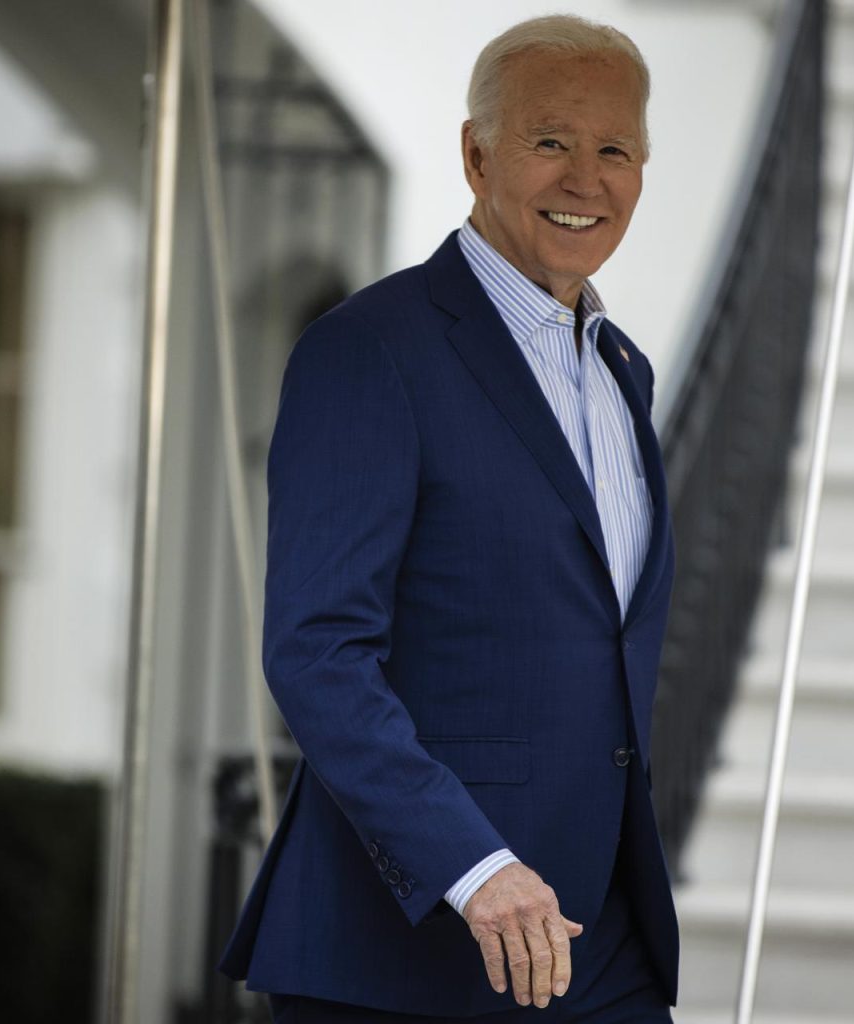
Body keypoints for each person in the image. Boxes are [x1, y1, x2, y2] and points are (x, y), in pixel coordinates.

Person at [218, 14, 678, 1022]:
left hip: (601, 948)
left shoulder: (622, 370)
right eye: (551, 141)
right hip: (405, 954)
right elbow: (318, 650)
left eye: (615, 150)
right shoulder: (370, 352)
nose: (585, 179)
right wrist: (473, 867)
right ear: (477, 153)